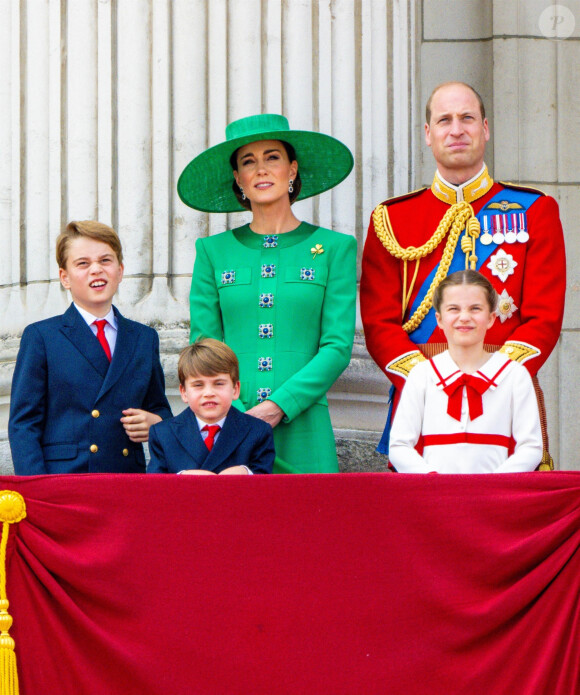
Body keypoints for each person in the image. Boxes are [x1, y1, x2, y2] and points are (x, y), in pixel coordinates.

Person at [361, 82, 566, 468]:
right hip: (419, 394)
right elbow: (378, 322)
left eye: (467, 118)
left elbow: (545, 317)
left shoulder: (535, 210)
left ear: (485, 128)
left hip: (507, 393)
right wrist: (429, 383)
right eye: (444, 120)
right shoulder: (392, 219)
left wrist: (497, 379)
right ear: (428, 134)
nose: (456, 129)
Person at [177, 113, 356, 473]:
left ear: (292, 169)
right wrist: (241, 413)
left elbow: (337, 346)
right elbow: (206, 345)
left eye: (272, 157)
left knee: (311, 526)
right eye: (248, 161)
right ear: (238, 178)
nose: (261, 170)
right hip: (232, 426)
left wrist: (280, 405)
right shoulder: (212, 252)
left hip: (304, 426)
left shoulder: (335, 248)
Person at [9, 221, 172, 474]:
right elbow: (23, 425)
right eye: (83, 263)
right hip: (65, 479)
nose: (96, 269)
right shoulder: (42, 336)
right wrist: (36, 490)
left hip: (126, 476)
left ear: (120, 270)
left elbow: (159, 408)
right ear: (65, 277)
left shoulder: (144, 338)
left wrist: (157, 424)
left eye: (105, 260)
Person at [389, 270, 542, 473]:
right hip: (436, 497)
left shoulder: (514, 375)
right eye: (454, 309)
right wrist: (431, 480)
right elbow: (399, 446)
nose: (464, 317)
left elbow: (531, 447)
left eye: (475, 309)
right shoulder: (422, 375)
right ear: (439, 319)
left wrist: (494, 484)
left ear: (491, 318)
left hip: (495, 498)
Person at [147, 339, 274, 475]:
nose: (208, 393)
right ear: (184, 392)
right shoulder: (163, 434)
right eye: (198, 385)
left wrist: (246, 473)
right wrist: (181, 478)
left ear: (235, 389)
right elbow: (155, 488)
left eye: (219, 383)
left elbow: (265, 484)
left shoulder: (258, 432)